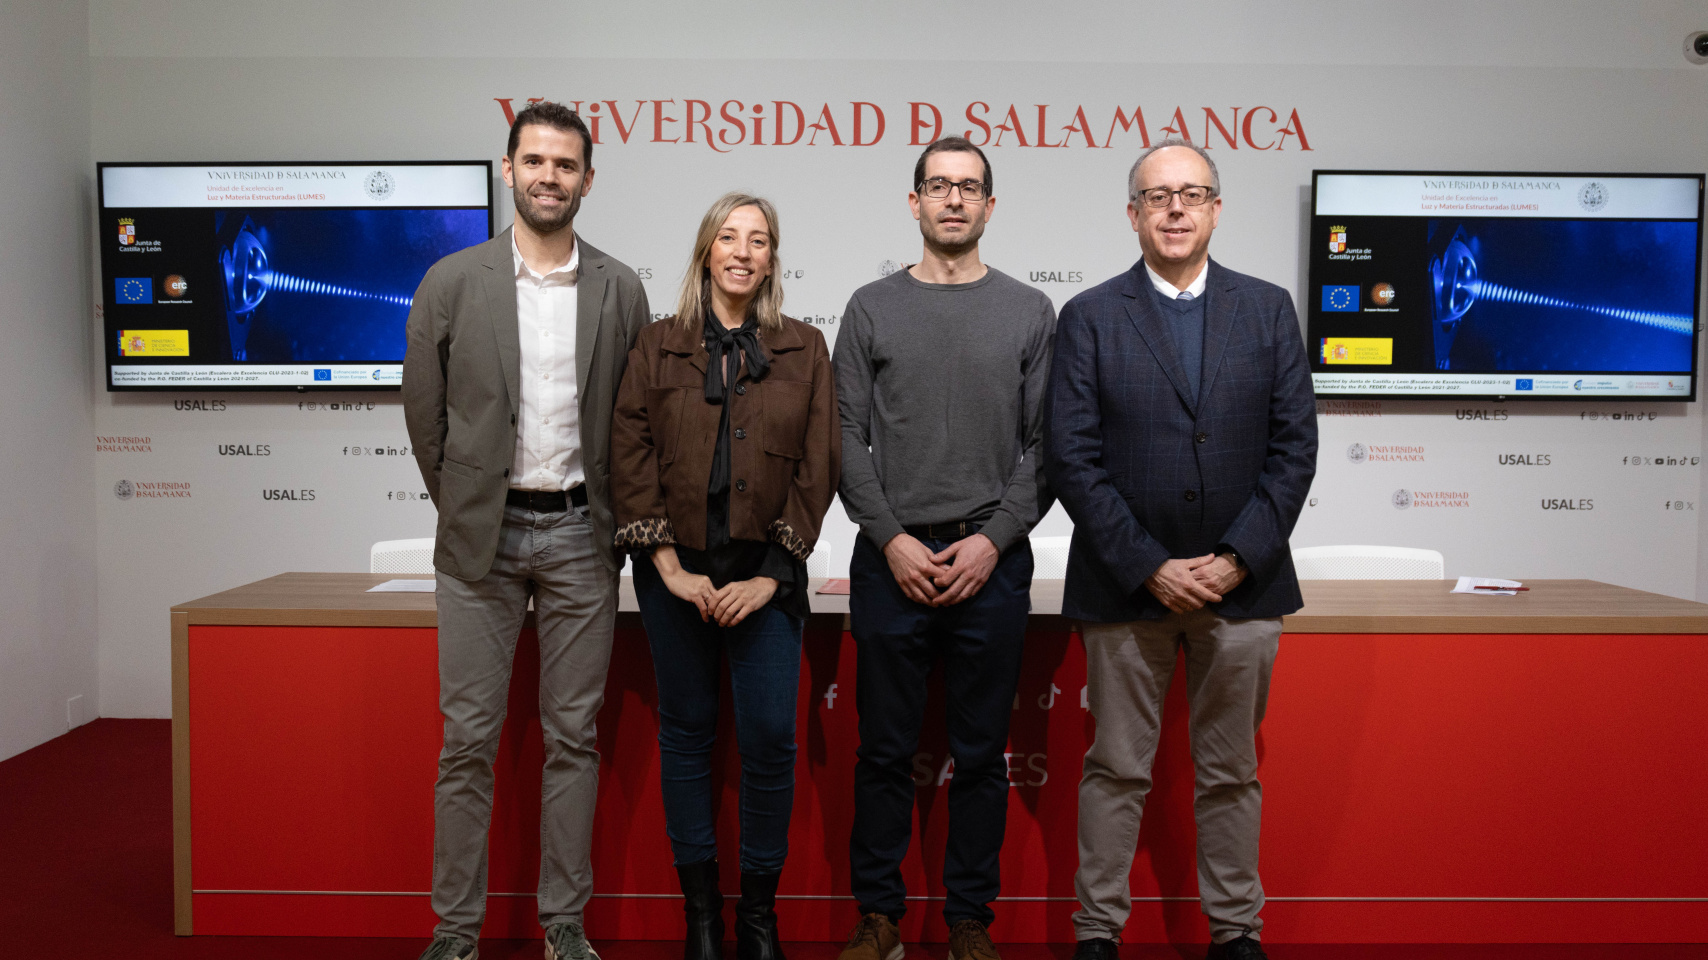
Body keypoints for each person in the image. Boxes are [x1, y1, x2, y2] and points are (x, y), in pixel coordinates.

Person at [1043, 139, 1317, 960]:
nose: (1174, 208)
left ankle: (1236, 931)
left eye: (1191, 194)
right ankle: (1098, 933)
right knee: (1116, 768)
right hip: (1129, 590)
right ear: (1132, 214)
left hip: (1246, 588)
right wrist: (1149, 565)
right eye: (1156, 196)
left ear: (1216, 209)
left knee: (1231, 773)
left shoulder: (1267, 309)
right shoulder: (1089, 315)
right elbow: (1072, 457)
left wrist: (1235, 560)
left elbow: (1294, 449)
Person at [402, 101, 652, 960]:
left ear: (588, 178)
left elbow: (634, 420)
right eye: (535, 161)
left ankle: (563, 926)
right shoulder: (452, 280)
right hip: (482, 541)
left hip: (585, 538)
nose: (550, 176)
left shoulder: (620, 287)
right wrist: (466, 501)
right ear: (507, 169)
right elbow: (425, 414)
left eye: (566, 164)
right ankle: (456, 931)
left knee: (572, 741)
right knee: (467, 741)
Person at [833, 137, 1056, 960]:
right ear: (914, 202)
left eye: (969, 188)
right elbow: (845, 440)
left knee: (980, 757)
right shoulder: (869, 308)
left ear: (990, 207)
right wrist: (889, 540)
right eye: (939, 186)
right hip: (889, 566)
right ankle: (880, 916)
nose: (953, 200)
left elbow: (1047, 450)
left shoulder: (1032, 311)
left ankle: (969, 920)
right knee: (883, 752)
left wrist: (993, 543)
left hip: (990, 568)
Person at [611, 192, 840, 960]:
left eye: (760, 240)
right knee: (686, 737)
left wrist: (774, 576)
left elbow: (818, 468)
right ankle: (702, 917)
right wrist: (667, 567)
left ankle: (758, 917)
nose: (744, 252)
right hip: (678, 580)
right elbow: (630, 454)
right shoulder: (656, 346)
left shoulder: (806, 348)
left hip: (764, 580)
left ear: (773, 257)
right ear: (706, 250)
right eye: (730, 238)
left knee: (772, 742)